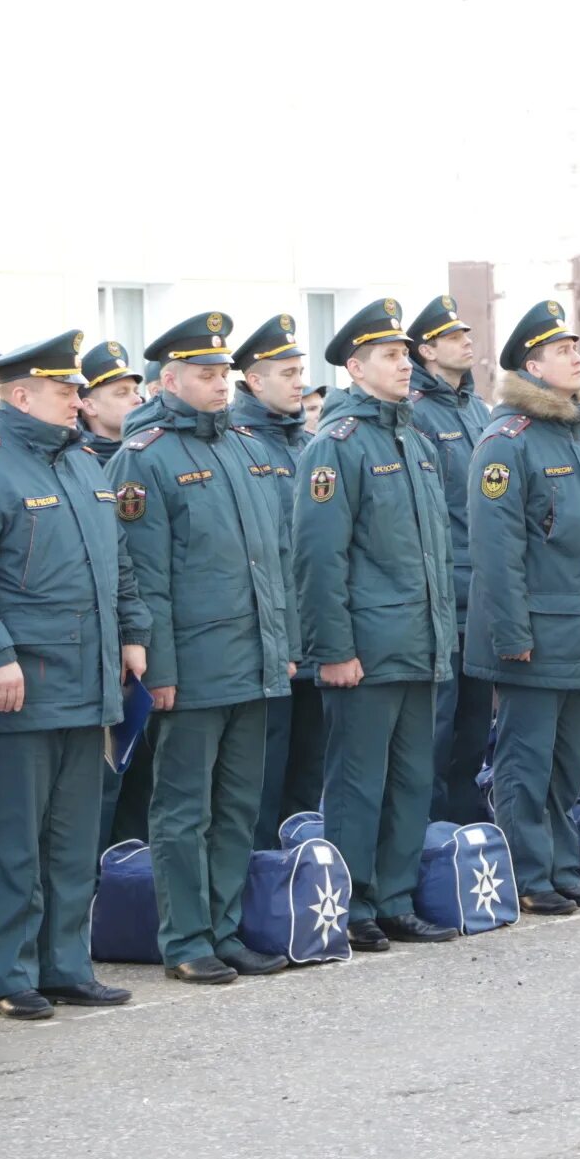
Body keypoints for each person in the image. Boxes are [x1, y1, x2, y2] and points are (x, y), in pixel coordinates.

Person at [0, 330, 148, 1020]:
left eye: (78, 390)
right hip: (19, 683)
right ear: (20, 395)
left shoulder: (84, 465)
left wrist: (134, 631)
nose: (77, 401)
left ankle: (66, 963)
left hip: (88, 683)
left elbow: (119, 560)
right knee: (15, 838)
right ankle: (9, 973)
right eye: (64, 390)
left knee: (73, 837)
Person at [107, 313, 297, 983]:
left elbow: (274, 559)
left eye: (223, 373)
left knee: (239, 803)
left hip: (253, 662)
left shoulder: (245, 447)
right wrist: (156, 668)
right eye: (205, 374)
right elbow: (142, 575)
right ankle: (185, 937)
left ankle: (223, 927)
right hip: (189, 669)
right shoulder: (144, 456)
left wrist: (285, 647)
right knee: (184, 807)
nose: (219, 384)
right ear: (170, 379)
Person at [293, 299, 459, 949]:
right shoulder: (336, 446)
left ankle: (394, 894)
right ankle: (352, 900)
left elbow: (432, 555)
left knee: (412, 777)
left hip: (419, 643)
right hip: (365, 648)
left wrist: (443, 633)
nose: (405, 364)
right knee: (359, 782)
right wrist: (333, 647)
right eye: (391, 356)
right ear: (356, 368)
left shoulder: (414, 442)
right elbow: (318, 556)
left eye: (405, 354)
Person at [466, 300, 580, 915]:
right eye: (563, 351)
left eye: (576, 349)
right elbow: (496, 549)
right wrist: (511, 633)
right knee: (525, 761)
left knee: (566, 762)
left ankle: (563, 866)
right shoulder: (509, 442)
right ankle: (528, 875)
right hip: (535, 632)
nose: (578, 358)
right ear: (533, 364)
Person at [405, 295, 495, 825]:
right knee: (436, 729)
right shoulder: (417, 412)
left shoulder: (478, 411)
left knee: (473, 726)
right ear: (428, 351)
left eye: (466, 333)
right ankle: (432, 838)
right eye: (454, 336)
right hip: (442, 592)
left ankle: (466, 839)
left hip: (481, 591)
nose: (467, 341)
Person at [231, 314, 321, 840]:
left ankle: (300, 887)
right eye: (287, 373)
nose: (299, 383)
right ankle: (262, 891)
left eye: (300, 372)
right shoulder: (243, 446)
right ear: (255, 380)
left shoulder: (307, 445)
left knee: (307, 781)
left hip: (315, 640)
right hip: (268, 647)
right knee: (260, 785)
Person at [77, 341, 144, 464]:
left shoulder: (149, 450)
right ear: (90, 406)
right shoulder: (78, 462)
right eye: (122, 393)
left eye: (136, 392)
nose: (138, 400)